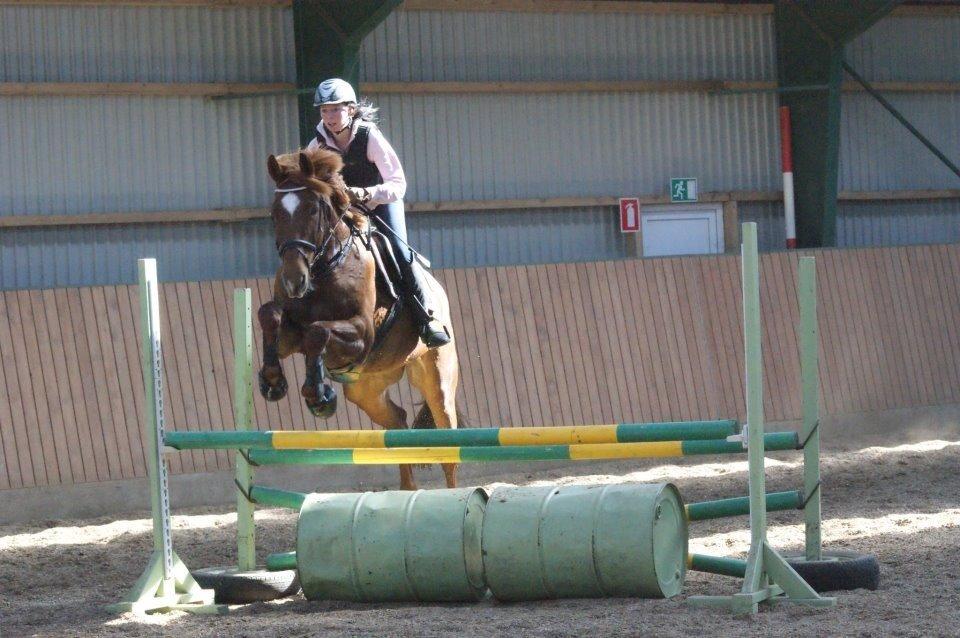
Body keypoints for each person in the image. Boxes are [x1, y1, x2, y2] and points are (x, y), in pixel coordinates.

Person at [306, 78, 450, 349]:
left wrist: (367, 194)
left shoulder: (369, 136)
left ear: (350, 109)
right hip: (345, 212)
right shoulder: (316, 145)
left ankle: (426, 317)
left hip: (381, 203)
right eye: (324, 110)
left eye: (335, 110)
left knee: (397, 248)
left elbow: (398, 183)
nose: (329, 117)